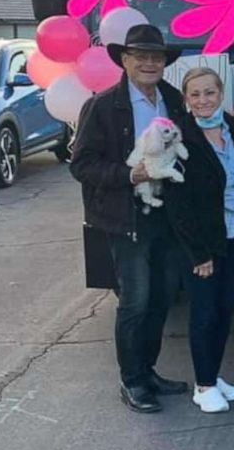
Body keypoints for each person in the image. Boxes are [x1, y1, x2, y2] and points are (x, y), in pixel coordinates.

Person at [70, 24, 189, 413]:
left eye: (156, 57)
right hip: (125, 216)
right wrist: (130, 175)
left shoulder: (173, 99)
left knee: (162, 297)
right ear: (125, 60)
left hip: (168, 215)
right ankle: (132, 381)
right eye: (141, 56)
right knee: (135, 301)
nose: (150, 63)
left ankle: (148, 370)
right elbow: (82, 165)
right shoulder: (102, 106)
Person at [164, 68, 234, 413]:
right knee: (203, 313)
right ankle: (202, 386)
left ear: (221, 93)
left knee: (223, 309)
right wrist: (198, 253)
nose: (203, 100)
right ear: (186, 100)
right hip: (202, 244)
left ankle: (214, 376)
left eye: (209, 93)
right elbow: (178, 205)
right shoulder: (179, 137)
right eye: (195, 95)